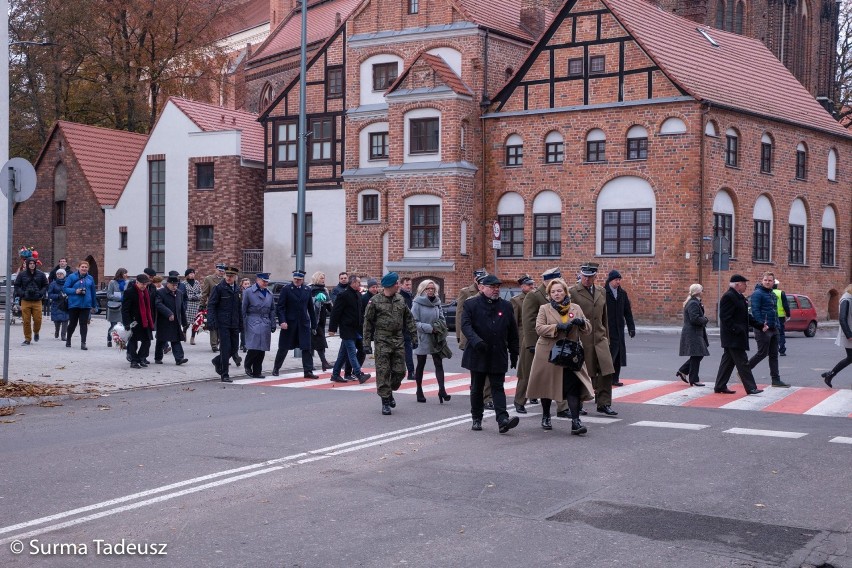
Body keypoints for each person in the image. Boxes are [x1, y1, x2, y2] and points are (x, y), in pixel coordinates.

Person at [526, 278, 595, 435]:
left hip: (570, 354)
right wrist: (557, 327)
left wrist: (582, 323)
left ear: (565, 292)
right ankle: (545, 416)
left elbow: (588, 329)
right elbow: (539, 328)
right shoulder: (545, 308)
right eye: (553, 292)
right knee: (547, 386)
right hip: (549, 352)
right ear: (549, 294)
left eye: (559, 291)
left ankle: (576, 422)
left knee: (573, 387)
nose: (556, 294)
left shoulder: (575, 308)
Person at [461, 274, 520, 433]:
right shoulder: (471, 304)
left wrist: (514, 352)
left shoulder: (506, 306)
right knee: (477, 387)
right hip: (478, 352)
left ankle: (503, 420)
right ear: (481, 288)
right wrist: (475, 341)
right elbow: (466, 326)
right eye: (492, 287)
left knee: (497, 387)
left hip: (497, 352)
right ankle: (477, 418)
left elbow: (512, 332)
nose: (495, 290)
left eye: (497, 287)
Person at [364, 272, 417, 415]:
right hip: (382, 340)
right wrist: (366, 343)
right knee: (383, 371)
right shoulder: (375, 301)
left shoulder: (400, 299)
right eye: (396, 284)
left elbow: (409, 319)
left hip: (398, 339)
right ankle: (385, 401)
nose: (398, 285)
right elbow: (367, 322)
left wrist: (414, 337)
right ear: (390, 286)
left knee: (400, 372)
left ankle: (389, 391)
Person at [569, 262, 617, 416]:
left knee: (606, 370)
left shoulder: (601, 291)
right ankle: (580, 403)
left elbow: (604, 318)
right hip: (582, 338)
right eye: (585, 276)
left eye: (590, 277)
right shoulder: (572, 292)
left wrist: (607, 338)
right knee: (583, 372)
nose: (587, 280)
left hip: (600, 338)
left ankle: (604, 403)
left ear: (595, 276)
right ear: (580, 275)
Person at [713, 274, 766, 395]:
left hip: (736, 336)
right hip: (733, 337)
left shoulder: (739, 297)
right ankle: (751, 387)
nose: (746, 286)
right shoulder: (729, 296)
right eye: (744, 284)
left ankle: (720, 385)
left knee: (728, 362)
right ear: (738, 285)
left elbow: (745, 316)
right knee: (743, 363)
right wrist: (736, 330)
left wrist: (759, 325)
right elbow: (725, 317)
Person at [523, 268, 563, 413]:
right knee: (530, 375)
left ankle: (563, 407)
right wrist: (532, 344)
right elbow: (528, 321)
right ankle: (520, 400)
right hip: (539, 342)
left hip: (558, 342)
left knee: (559, 374)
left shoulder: (562, 295)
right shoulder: (534, 296)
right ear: (546, 281)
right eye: (554, 281)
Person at [457, 269, 494, 409]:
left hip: (487, 338)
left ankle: (487, 397)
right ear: (476, 281)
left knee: (488, 370)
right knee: (477, 370)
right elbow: (460, 316)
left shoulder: (491, 294)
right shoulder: (466, 293)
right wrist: (460, 337)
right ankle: (478, 394)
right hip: (472, 338)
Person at [411, 279, 452, 403]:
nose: (430, 291)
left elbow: (441, 317)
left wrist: (441, 327)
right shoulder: (417, 303)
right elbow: (414, 322)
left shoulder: (437, 302)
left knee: (438, 363)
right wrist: (429, 328)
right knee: (421, 364)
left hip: (436, 337)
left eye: (432, 289)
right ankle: (419, 390)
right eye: (428, 289)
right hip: (423, 336)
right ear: (423, 290)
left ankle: (442, 390)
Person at [747, 272, 790, 388]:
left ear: (773, 282)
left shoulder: (772, 294)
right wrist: (761, 325)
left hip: (774, 327)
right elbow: (755, 310)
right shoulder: (757, 294)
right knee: (762, 353)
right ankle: (744, 371)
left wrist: (777, 325)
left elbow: (774, 311)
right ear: (762, 281)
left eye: (770, 280)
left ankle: (776, 380)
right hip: (763, 328)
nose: (767, 282)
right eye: (765, 280)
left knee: (774, 355)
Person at [272, 270, 318, 378]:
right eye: (295, 279)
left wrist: (314, 324)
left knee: (306, 347)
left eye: (299, 279)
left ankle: (308, 371)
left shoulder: (307, 289)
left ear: (303, 280)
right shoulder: (286, 289)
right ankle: (276, 368)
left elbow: (310, 309)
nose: (297, 281)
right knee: (284, 347)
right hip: (289, 323)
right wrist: (282, 321)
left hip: (303, 323)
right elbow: (281, 307)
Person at [329, 275, 371, 384]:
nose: (359, 284)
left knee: (343, 354)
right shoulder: (343, 295)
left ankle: (335, 374)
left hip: (356, 329)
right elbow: (335, 312)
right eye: (358, 282)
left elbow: (360, 312)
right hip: (346, 328)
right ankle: (359, 374)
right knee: (352, 352)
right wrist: (332, 328)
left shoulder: (357, 294)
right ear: (352, 283)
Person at [208, 266, 243, 382]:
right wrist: (211, 320)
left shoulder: (237, 289)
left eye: (231, 276)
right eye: (227, 276)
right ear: (224, 276)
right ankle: (225, 374)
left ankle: (217, 361)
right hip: (223, 323)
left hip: (234, 323)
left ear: (235, 277)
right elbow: (212, 305)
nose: (229, 278)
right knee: (225, 348)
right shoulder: (218, 288)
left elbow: (239, 308)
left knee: (234, 348)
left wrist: (241, 323)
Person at [604, 269, 635, 387]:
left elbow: (627, 312)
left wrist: (631, 327)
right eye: (616, 280)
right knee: (609, 355)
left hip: (619, 328)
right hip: (608, 329)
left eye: (619, 280)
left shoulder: (622, 293)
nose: (618, 282)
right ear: (610, 280)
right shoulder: (603, 293)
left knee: (618, 355)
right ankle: (606, 379)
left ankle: (615, 378)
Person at [242, 273, 276, 378]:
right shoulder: (248, 292)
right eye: (263, 281)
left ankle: (257, 371)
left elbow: (272, 310)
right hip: (253, 320)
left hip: (265, 321)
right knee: (254, 346)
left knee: (262, 348)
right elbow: (243, 308)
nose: (266, 283)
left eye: (267, 281)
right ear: (257, 280)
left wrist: (273, 323)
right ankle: (247, 365)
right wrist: (242, 324)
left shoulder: (269, 294)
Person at [511, 274, 536, 413]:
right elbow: (514, 324)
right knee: (525, 371)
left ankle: (534, 395)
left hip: (538, 337)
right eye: (528, 285)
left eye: (532, 284)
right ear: (522, 287)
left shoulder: (538, 298)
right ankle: (519, 400)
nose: (532, 287)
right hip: (523, 339)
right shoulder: (517, 301)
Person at [676, 284, 709, 386]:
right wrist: (705, 319)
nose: (703, 292)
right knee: (697, 355)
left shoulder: (694, 302)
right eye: (702, 290)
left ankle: (683, 371)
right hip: (693, 333)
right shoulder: (693, 303)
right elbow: (694, 318)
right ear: (698, 292)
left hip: (694, 332)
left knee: (697, 355)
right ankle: (694, 379)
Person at [122, 273, 155, 369]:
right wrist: (127, 323)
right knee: (133, 342)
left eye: (145, 284)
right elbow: (125, 309)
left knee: (147, 341)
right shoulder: (129, 292)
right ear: (137, 282)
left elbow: (149, 307)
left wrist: (151, 319)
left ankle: (141, 358)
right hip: (134, 321)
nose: (144, 286)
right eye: (142, 284)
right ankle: (134, 360)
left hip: (146, 320)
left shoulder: (146, 292)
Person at [154, 274, 189, 365]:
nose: (174, 287)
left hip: (175, 321)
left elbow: (181, 308)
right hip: (163, 321)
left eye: (176, 285)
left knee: (175, 339)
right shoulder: (160, 292)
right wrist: (168, 313)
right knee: (161, 339)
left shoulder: (179, 293)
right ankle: (158, 358)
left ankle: (179, 359)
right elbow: (158, 304)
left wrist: (185, 322)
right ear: (168, 284)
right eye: (173, 285)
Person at [822, 283, 852, 388]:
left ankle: (830, 374)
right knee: (850, 358)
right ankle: (830, 374)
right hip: (849, 334)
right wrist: (849, 335)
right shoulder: (846, 300)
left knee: (850, 358)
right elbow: (842, 319)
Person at [13, 257, 48, 345]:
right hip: (26, 300)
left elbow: (46, 285)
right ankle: (27, 338)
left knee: (38, 319)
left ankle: (36, 332)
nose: (32, 265)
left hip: (37, 300)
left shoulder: (41, 274)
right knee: (26, 320)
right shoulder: (22, 274)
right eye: (30, 263)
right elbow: (17, 286)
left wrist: (41, 293)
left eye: (33, 263)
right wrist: (22, 293)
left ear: (35, 264)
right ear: (27, 265)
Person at [63, 260, 96, 350]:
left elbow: (93, 292)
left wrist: (94, 305)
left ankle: (83, 343)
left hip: (86, 305)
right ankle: (68, 339)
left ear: (88, 268)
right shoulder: (72, 277)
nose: (84, 268)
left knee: (83, 324)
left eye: (86, 267)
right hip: (74, 304)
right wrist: (75, 291)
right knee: (72, 324)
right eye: (82, 267)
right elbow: (65, 288)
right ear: (79, 267)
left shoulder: (90, 278)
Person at [309, 272, 332, 371]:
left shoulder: (324, 290)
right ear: (317, 278)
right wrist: (316, 300)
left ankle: (318, 363)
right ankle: (323, 362)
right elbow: (308, 303)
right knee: (319, 341)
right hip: (313, 319)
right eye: (322, 278)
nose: (323, 280)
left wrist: (335, 314)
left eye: (324, 278)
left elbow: (329, 305)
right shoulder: (310, 289)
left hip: (322, 319)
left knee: (316, 342)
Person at [200, 263, 225, 352]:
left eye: (223, 271)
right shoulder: (209, 279)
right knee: (213, 325)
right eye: (220, 270)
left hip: (223, 306)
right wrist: (202, 304)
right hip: (212, 305)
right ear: (216, 270)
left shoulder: (226, 280)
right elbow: (205, 292)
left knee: (221, 325)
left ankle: (219, 342)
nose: (221, 272)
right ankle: (214, 345)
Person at [399, 276, 416, 381]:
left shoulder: (411, 296)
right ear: (401, 285)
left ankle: (411, 371)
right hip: (401, 328)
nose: (409, 286)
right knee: (400, 352)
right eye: (407, 284)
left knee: (408, 350)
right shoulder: (400, 297)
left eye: (410, 284)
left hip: (408, 328)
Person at [106, 268, 128, 347]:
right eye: (125, 273)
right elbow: (109, 295)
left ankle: (121, 343)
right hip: (114, 306)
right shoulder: (112, 282)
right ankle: (109, 338)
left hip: (124, 307)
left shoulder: (127, 283)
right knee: (113, 325)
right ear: (120, 274)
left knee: (123, 326)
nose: (126, 275)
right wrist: (120, 297)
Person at [47, 268, 69, 341]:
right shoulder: (53, 283)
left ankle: (63, 335)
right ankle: (57, 331)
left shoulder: (68, 282)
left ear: (64, 275)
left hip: (65, 303)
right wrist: (58, 296)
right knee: (57, 320)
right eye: (58, 274)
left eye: (61, 274)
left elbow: (70, 290)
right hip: (56, 304)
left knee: (65, 320)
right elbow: (50, 294)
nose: (59, 275)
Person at [184, 268, 202, 345]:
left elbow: (200, 292)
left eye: (193, 273)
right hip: (188, 304)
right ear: (187, 275)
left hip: (196, 304)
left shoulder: (197, 283)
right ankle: (184, 332)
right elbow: (183, 294)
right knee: (187, 323)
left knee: (196, 322)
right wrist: (191, 297)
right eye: (190, 274)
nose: (192, 275)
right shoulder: (184, 283)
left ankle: (193, 338)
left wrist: (197, 296)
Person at [773, 280, 791, 356]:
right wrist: (788, 314)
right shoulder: (781, 293)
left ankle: (771, 350)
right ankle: (782, 350)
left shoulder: (767, 292)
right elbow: (785, 305)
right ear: (777, 285)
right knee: (781, 333)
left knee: (771, 333)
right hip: (780, 316)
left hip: (770, 316)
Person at [239, 277, 252, 352]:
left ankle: (245, 344)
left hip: (249, 313)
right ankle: (243, 344)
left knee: (248, 330)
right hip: (241, 312)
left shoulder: (252, 292)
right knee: (243, 330)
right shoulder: (240, 292)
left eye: (248, 284)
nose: (247, 285)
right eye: (245, 284)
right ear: (242, 285)